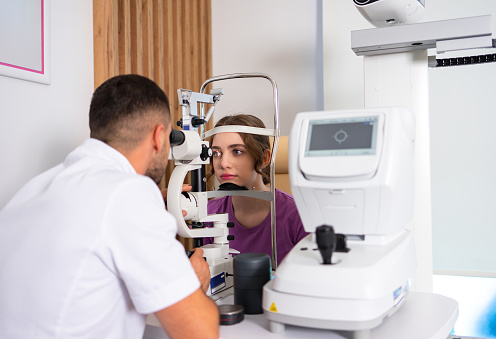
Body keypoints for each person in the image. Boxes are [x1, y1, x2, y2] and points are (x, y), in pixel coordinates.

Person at [0, 75, 219, 339]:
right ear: (160, 136)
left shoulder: (33, 190)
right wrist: (193, 283)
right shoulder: (129, 192)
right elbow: (201, 332)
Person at [204, 114, 308, 265]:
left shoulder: (299, 215)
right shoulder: (209, 213)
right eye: (216, 153)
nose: (223, 163)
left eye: (237, 151)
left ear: (264, 158)